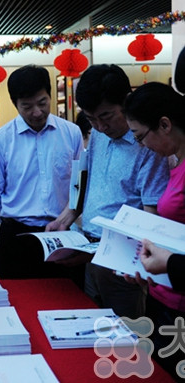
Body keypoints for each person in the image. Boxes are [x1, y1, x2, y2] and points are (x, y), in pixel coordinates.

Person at [48, 65, 169, 319]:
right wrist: (65, 218)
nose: (101, 127)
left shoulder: (147, 145)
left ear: (126, 101)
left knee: (125, 342)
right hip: (89, 253)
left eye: (107, 116)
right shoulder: (99, 136)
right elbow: (88, 181)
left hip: (123, 264)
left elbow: (152, 214)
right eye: (91, 119)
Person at [0, 64, 84, 284]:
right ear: (15, 104)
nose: (37, 112)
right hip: (17, 238)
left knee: (66, 302)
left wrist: (66, 218)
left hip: (62, 233)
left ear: (50, 95)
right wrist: (17, 217)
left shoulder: (71, 133)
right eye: (27, 106)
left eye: (42, 103)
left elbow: (79, 183)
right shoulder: (0, 139)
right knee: (17, 303)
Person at [124, 81, 185, 378]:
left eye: (140, 136)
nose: (141, 146)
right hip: (164, 295)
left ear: (164, 124)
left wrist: (169, 265)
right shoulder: (174, 162)